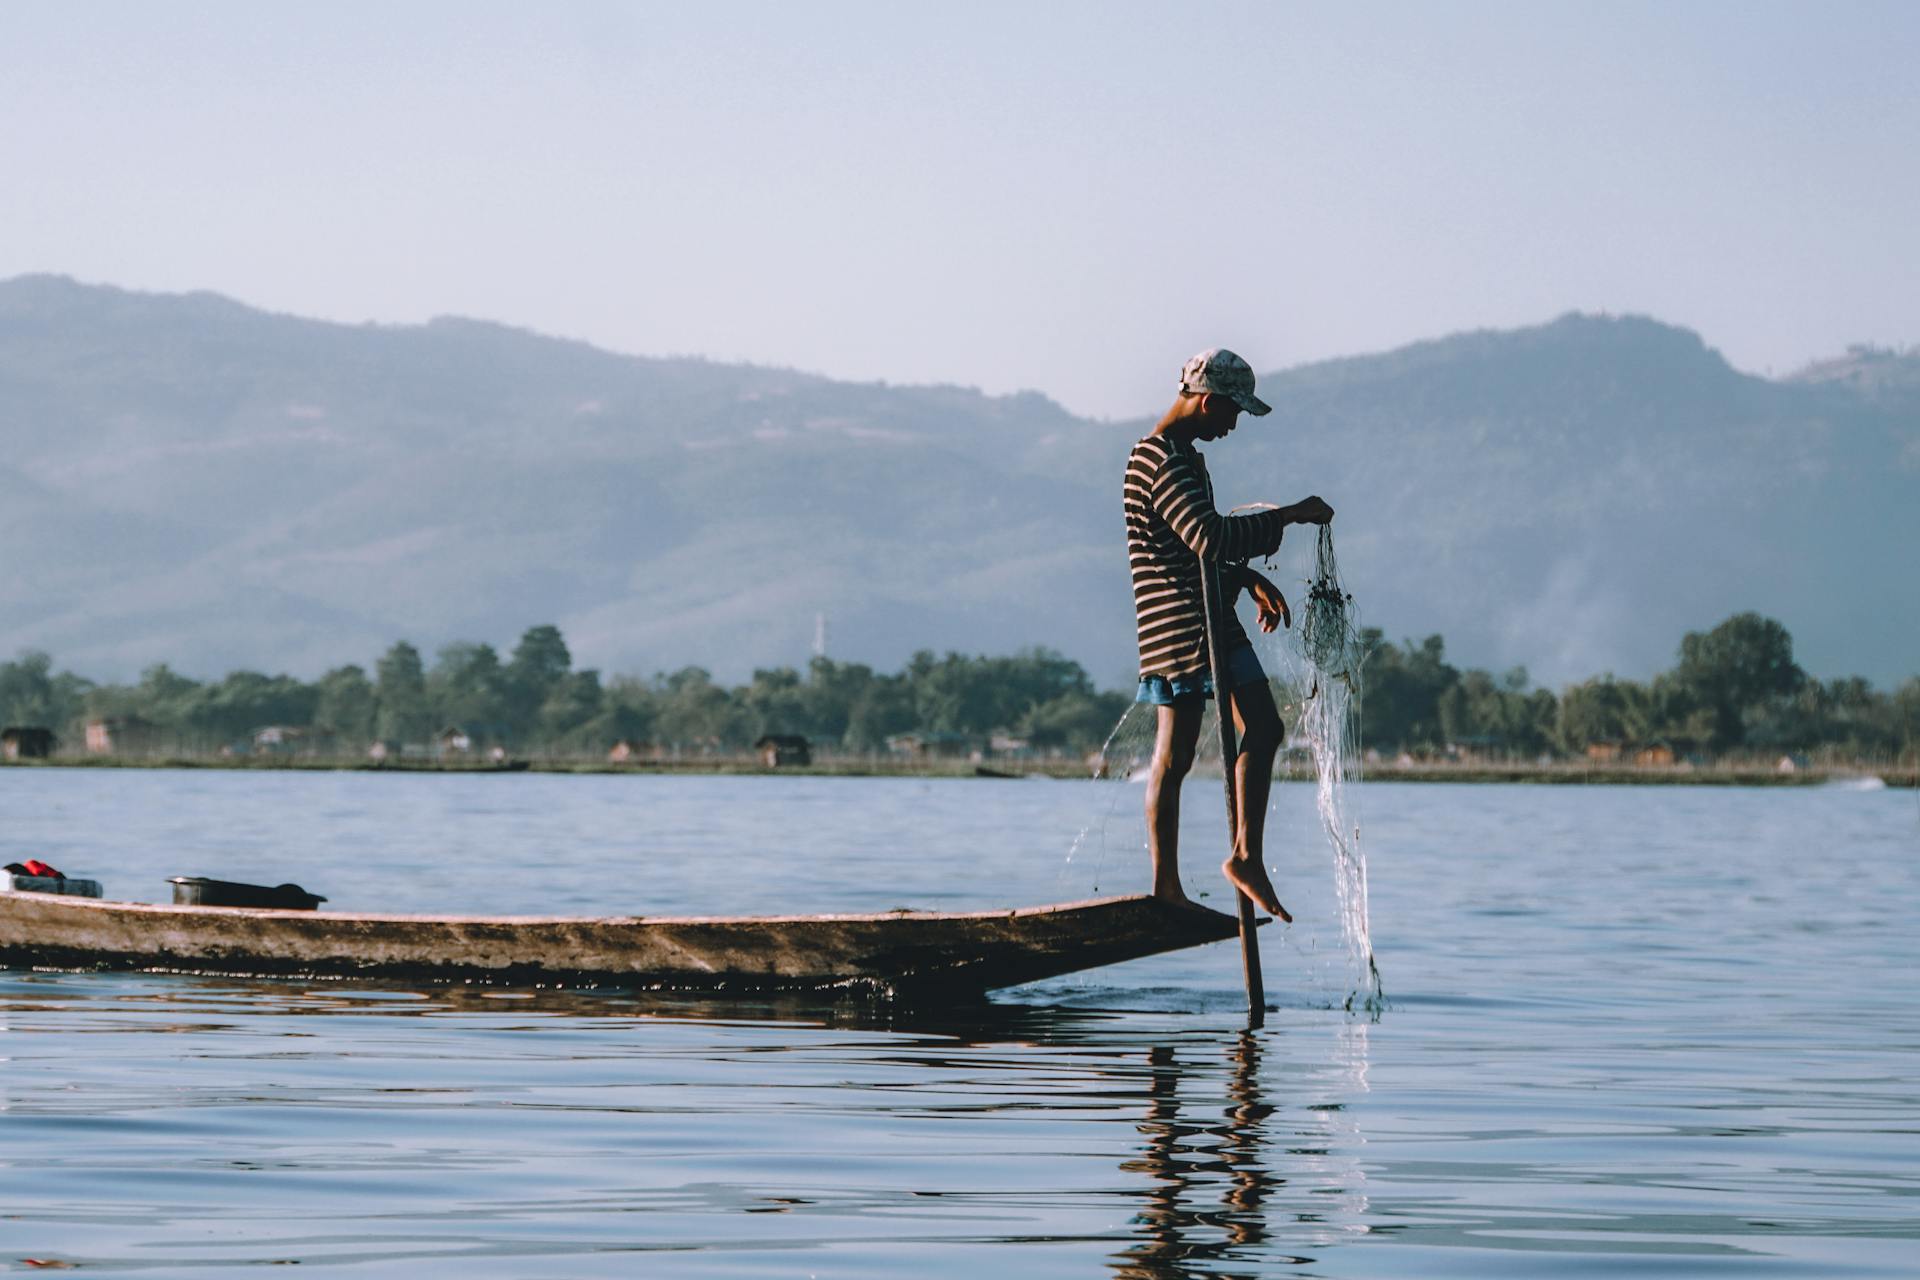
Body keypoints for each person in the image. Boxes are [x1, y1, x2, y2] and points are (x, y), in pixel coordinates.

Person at [1122, 348, 1333, 920]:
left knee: (1211, 745)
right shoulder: (1160, 461)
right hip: (1187, 625)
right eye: (1232, 414)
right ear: (1208, 401)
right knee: (1213, 743)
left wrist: (1243, 579)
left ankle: (1236, 859)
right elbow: (1209, 538)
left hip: (1203, 613)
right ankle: (1199, 873)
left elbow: (1191, 548)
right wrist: (1289, 515)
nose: (1233, 426)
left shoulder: (1181, 457)